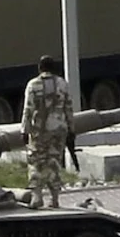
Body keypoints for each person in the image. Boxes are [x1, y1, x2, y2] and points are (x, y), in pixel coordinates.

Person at [20, 55, 75, 208]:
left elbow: (27, 110)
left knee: (36, 163)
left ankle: (37, 197)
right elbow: (69, 109)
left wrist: (24, 130)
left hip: (39, 131)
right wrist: (72, 129)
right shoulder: (62, 84)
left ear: (40, 68)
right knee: (54, 162)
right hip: (58, 130)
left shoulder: (33, 85)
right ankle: (55, 199)